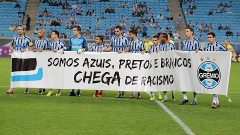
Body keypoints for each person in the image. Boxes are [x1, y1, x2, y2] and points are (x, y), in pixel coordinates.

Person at [100, 25, 128, 98]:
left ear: (121, 31)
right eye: (115, 31)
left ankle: (123, 92)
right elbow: (110, 47)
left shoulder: (125, 39)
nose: (116, 32)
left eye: (117, 31)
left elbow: (128, 47)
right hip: (114, 59)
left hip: (122, 60)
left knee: (122, 75)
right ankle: (119, 92)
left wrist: (123, 51)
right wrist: (104, 50)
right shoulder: (113, 38)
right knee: (115, 75)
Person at [202, 32, 228, 108]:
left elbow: (227, 52)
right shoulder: (206, 46)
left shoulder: (219, 46)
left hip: (217, 68)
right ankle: (216, 101)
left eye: (210, 37)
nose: (209, 39)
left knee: (214, 83)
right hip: (208, 68)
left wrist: (230, 52)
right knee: (212, 84)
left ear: (214, 37)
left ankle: (214, 101)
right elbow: (202, 54)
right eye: (208, 37)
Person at [7, 26, 33, 94]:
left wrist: (25, 49)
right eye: (18, 29)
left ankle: (27, 88)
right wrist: (11, 48)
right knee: (13, 72)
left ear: (24, 30)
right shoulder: (15, 38)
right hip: (16, 57)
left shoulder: (28, 39)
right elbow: (11, 45)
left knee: (25, 73)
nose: (19, 31)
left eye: (21, 29)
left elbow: (32, 47)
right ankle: (11, 88)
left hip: (25, 58)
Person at [180, 27, 201, 105]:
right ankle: (185, 97)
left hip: (193, 64)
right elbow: (182, 52)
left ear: (191, 32)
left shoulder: (196, 41)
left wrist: (198, 51)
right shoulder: (184, 42)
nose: (186, 33)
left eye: (187, 31)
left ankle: (195, 99)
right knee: (183, 80)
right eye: (185, 31)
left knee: (193, 81)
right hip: (184, 64)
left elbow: (199, 51)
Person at [67, 26, 88, 96]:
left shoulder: (83, 39)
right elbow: (69, 48)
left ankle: (79, 90)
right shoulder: (71, 39)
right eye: (73, 30)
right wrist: (63, 50)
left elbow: (86, 48)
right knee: (72, 74)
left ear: (78, 31)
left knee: (79, 74)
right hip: (72, 59)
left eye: (74, 30)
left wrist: (82, 50)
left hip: (80, 59)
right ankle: (73, 90)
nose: (73, 32)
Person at [124, 29, 145, 99]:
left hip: (139, 63)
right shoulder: (130, 42)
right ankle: (133, 92)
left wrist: (143, 52)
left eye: (130, 34)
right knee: (132, 77)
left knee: (138, 77)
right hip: (131, 63)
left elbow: (144, 50)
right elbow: (127, 49)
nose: (129, 35)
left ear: (134, 34)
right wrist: (123, 52)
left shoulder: (141, 42)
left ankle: (139, 92)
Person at [46, 30, 66, 96]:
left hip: (59, 62)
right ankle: (50, 90)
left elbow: (65, 50)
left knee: (59, 76)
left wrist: (58, 51)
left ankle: (59, 91)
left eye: (52, 34)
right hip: (51, 62)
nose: (51, 35)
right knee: (51, 76)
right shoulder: (50, 43)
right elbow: (47, 49)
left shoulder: (62, 43)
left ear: (56, 35)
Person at [159, 33, 176, 102]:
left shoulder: (171, 45)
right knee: (163, 81)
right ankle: (165, 97)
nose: (160, 39)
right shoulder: (160, 46)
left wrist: (169, 53)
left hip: (170, 66)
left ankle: (173, 93)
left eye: (161, 37)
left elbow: (175, 54)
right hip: (162, 66)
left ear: (165, 38)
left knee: (170, 80)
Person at [33, 29, 49, 95]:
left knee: (43, 74)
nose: (38, 33)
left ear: (43, 34)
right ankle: (41, 87)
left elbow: (48, 50)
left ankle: (42, 88)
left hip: (44, 60)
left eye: (40, 32)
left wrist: (43, 50)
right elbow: (34, 48)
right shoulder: (36, 41)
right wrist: (35, 50)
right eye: (38, 32)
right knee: (39, 73)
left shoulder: (46, 41)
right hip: (37, 59)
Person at [147, 34, 163, 100]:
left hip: (159, 66)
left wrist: (160, 53)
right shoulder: (150, 47)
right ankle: (152, 95)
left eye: (155, 40)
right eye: (153, 40)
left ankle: (159, 93)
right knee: (151, 80)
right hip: (151, 66)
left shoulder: (161, 47)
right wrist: (148, 53)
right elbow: (146, 55)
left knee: (158, 80)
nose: (154, 42)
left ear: (158, 40)